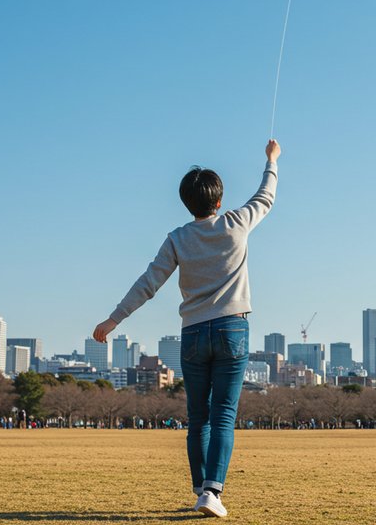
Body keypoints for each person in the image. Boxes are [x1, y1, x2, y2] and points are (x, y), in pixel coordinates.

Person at [93, 139, 281, 518]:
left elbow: (149, 282)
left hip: (194, 333)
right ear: (219, 200)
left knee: (199, 417)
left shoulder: (177, 239)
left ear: (187, 202)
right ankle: (212, 492)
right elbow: (266, 197)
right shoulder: (236, 223)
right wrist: (272, 160)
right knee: (223, 414)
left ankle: (201, 489)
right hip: (232, 328)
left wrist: (114, 319)